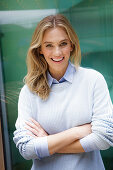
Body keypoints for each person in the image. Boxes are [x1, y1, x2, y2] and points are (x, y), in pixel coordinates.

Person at [13, 14, 113, 170]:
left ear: (72, 45)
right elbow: (26, 149)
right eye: (49, 45)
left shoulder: (93, 80)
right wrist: (76, 132)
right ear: (40, 49)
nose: (57, 52)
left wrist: (47, 141)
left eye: (63, 43)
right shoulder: (29, 92)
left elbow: (104, 138)